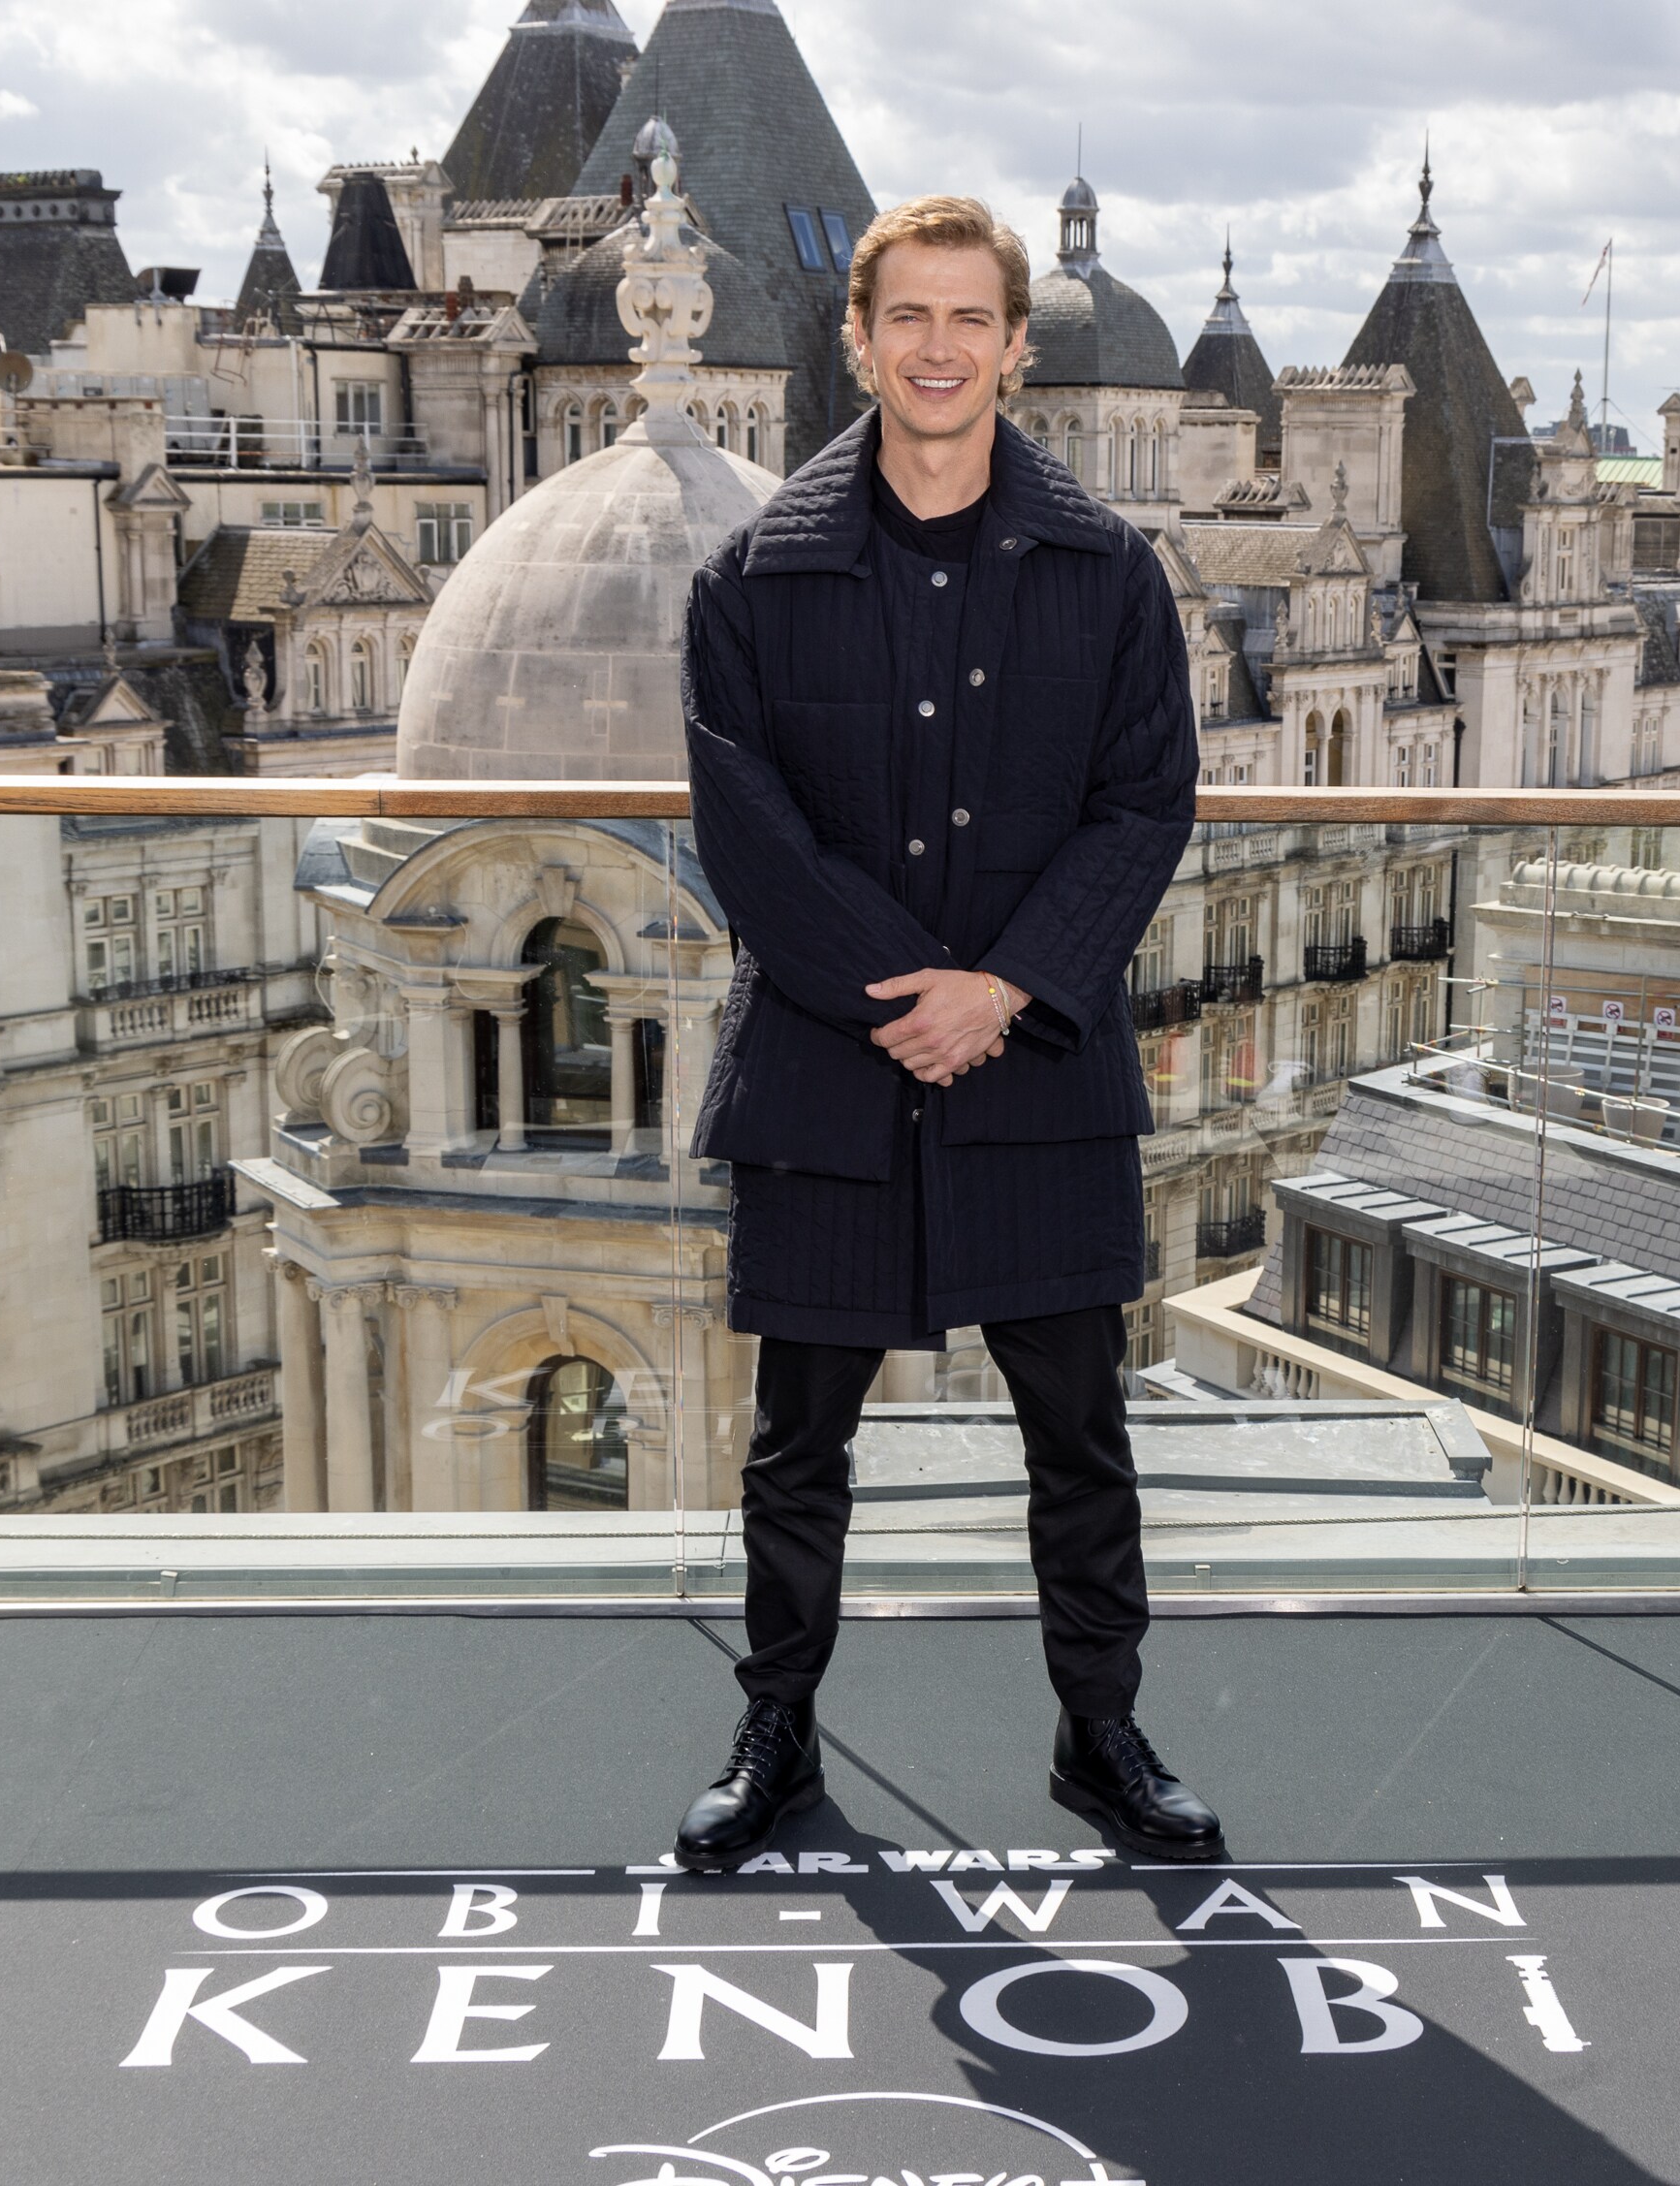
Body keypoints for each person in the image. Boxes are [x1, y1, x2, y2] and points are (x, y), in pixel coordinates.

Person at [672, 195, 1213, 1871]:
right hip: (834, 1073)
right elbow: (746, 829)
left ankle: (1101, 1731)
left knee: (1082, 1433)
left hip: (1033, 1057)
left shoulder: (1112, 574)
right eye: (907, 317)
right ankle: (774, 1731)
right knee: (798, 1443)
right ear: (858, 338)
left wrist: (1002, 991)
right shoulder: (749, 574)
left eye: (968, 319)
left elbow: (1145, 806)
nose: (937, 348)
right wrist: (918, 992)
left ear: (1013, 348)